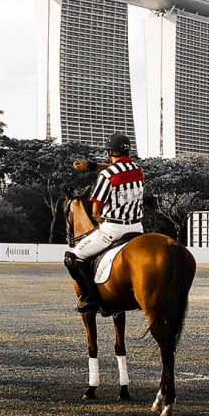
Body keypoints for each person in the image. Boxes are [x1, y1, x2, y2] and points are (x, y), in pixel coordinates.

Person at [65, 133, 144, 313]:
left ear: (110, 152)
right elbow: (117, 169)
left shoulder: (107, 174)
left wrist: (99, 221)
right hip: (137, 228)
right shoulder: (137, 170)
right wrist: (90, 166)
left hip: (113, 229)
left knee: (72, 257)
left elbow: (95, 209)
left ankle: (90, 298)